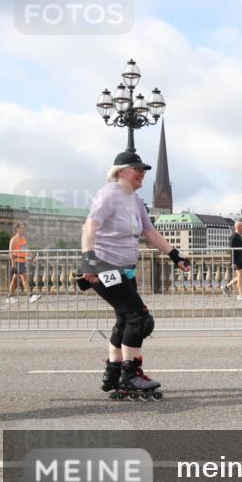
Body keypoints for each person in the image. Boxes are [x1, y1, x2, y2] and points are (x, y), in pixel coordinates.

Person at [80, 150, 190, 400]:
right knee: (138, 317)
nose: (142, 173)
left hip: (124, 269)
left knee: (125, 319)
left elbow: (150, 233)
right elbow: (89, 227)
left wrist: (175, 256)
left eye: (143, 169)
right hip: (104, 266)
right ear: (120, 172)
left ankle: (114, 371)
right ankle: (130, 375)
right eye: (136, 168)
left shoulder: (136, 201)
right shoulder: (109, 195)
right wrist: (88, 262)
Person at [7, 222, 41, 303]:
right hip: (17, 261)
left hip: (22, 260)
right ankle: (31, 296)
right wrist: (13, 263)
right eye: (22, 228)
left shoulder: (23, 239)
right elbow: (10, 252)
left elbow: (25, 249)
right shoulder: (14, 239)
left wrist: (32, 256)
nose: (24, 229)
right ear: (17, 229)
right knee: (24, 278)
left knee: (15, 280)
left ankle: (9, 296)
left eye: (24, 228)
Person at [222, 220, 242, 300]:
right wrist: (234, 262)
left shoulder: (240, 236)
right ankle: (240, 294)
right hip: (236, 260)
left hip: (239, 259)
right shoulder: (234, 236)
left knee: (241, 276)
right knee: (240, 276)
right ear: (238, 227)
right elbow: (232, 250)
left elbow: (240, 250)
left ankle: (226, 287)